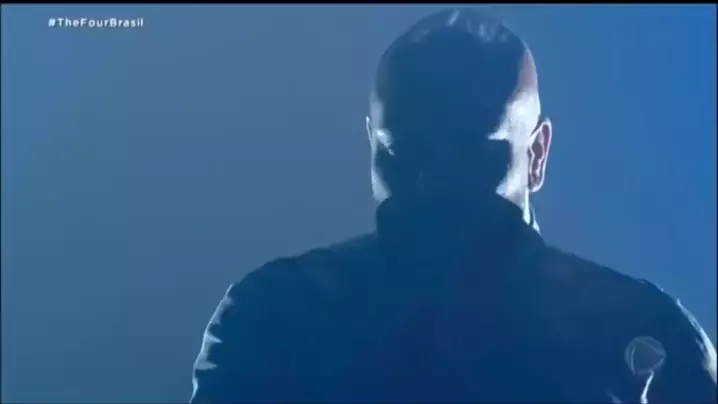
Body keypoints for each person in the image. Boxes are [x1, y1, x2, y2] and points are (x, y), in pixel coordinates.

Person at [190, 8, 717, 403]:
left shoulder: (275, 315)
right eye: (405, 154)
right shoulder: (272, 317)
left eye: (474, 155)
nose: (435, 185)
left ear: (536, 154)